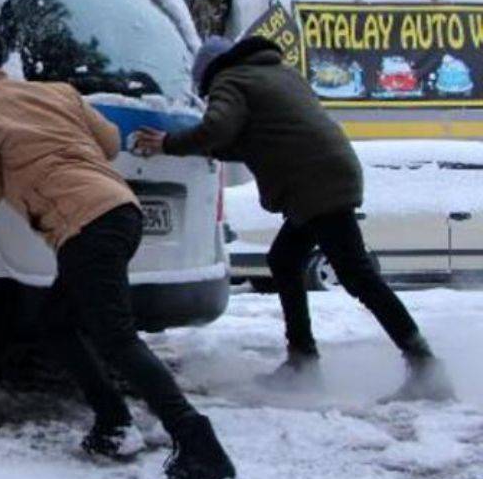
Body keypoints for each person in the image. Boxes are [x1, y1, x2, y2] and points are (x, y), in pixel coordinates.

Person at [0, 48, 236, 479]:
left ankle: (199, 446)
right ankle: (113, 422)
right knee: (55, 323)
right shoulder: (56, 93)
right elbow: (110, 141)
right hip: (120, 211)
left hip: (85, 226)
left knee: (116, 338)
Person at [134, 36, 455, 402]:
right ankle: (302, 360)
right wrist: (205, 149)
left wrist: (167, 144)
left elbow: (219, 128)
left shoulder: (231, 80)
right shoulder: (277, 73)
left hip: (316, 183)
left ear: (208, 74)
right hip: (331, 171)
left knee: (357, 274)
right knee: (285, 259)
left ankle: (426, 367)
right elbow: (263, 136)